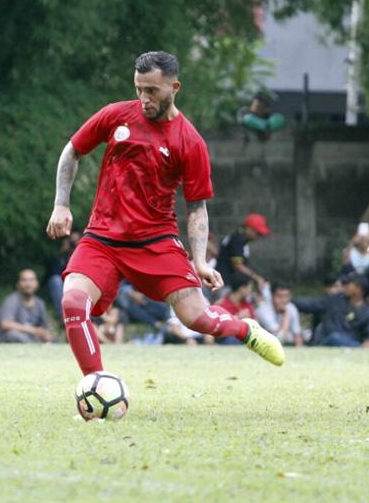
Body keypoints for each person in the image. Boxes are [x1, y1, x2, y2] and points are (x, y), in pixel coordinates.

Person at [45, 50, 284, 378]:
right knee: (73, 303)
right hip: (102, 239)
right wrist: (61, 204)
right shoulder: (116, 116)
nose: (144, 98)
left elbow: (197, 207)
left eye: (152, 91)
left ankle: (245, 330)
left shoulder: (189, 141)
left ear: (175, 87)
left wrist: (199, 261)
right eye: (139, 89)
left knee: (197, 320)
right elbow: (73, 151)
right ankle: (96, 387)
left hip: (156, 242)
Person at [294, 273, 369, 347]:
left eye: (348, 284)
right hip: (328, 341)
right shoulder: (335, 300)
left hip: (352, 343)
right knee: (334, 338)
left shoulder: (368, 312)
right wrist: (288, 301)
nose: (345, 286)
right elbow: (311, 304)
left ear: (359, 289)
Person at [215, 213, 270, 295]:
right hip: (225, 282)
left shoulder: (239, 238)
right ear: (249, 229)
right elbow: (237, 265)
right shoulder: (238, 239)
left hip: (225, 281)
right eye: (258, 233)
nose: (258, 237)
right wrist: (256, 278)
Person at [0, 269, 52, 343]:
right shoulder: (11, 300)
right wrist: (33, 330)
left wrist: (45, 335)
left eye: (31, 280)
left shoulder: (40, 303)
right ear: (18, 284)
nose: (28, 284)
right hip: (5, 340)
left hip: (30, 338)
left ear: (37, 283)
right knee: (13, 334)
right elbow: (5, 324)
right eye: (24, 280)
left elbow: (44, 327)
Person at [341, 223, 369, 299]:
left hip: (367, 278)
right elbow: (345, 264)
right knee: (347, 269)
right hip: (353, 276)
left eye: (365, 239)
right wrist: (352, 243)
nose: (363, 241)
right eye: (361, 239)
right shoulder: (350, 251)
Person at [255, 281, 303, 346]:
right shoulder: (263, 310)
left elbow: (297, 335)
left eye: (287, 296)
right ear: (272, 296)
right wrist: (285, 314)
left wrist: (299, 352)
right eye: (279, 296)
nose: (284, 300)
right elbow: (279, 339)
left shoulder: (291, 308)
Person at [45, 232, 80, 317]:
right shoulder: (62, 258)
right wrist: (62, 254)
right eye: (71, 242)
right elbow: (53, 274)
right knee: (55, 280)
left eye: (75, 242)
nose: (73, 245)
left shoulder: (83, 256)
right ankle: (64, 314)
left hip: (78, 287)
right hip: (62, 288)